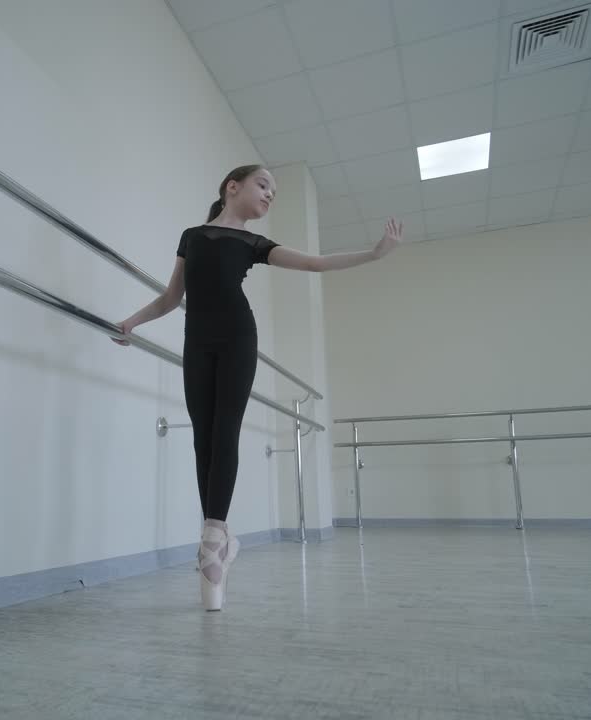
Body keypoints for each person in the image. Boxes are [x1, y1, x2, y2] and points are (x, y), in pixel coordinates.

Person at [112, 164, 401, 610]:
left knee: (225, 430)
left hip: (237, 339)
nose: (270, 195)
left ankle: (211, 543)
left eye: (273, 191)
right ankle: (221, 541)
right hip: (198, 342)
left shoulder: (253, 244)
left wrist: (374, 253)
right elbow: (172, 298)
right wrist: (132, 322)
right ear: (233, 187)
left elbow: (315, 263)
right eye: (263, 185)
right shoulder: (191, 236)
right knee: (202, 440)